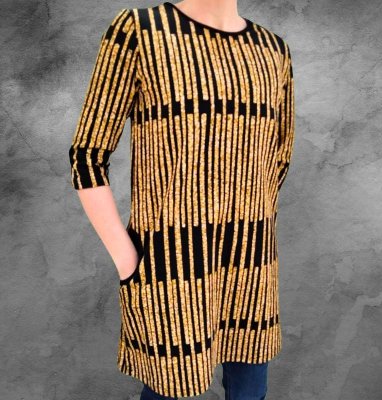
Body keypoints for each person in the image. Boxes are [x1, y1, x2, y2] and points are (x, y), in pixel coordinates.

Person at [68, 0, 295, 399]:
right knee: (171, 387)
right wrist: (128, 260)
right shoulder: (140, 31)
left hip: (252, 272)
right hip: (171, 270)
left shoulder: (273, 50)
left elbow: (278, 158)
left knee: (249, 389)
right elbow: (88, 156)